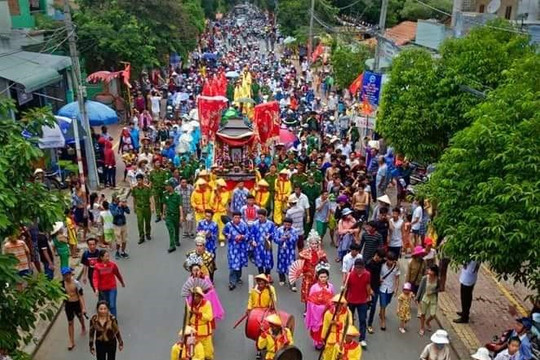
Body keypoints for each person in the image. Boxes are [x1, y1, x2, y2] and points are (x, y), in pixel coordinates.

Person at [184, 255, 224, 322]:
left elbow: (212, 293)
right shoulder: (190, 280)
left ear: (200, 270)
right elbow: (188, 295)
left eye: (198, 270)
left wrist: (205, 293)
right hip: (194, 304)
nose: (196, 272)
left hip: (205, 304)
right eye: (194, 270)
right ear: (191, 271)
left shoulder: (206, 279)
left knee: (206, 319)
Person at [305, 263, 335, 350]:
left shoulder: (331, 287)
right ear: (318, 277)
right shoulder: (314, 287)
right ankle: (317, 342)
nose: (323, 279)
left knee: (326, 326)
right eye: (321, 277)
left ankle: (325, 341)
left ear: (328, 277)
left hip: (327, 311)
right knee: (318, 328)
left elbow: (333, 299)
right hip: (316, 313)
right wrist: (316, 309)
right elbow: (310, 301)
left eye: (325, 277)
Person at [345, 258, 372, 347]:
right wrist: (344, 300)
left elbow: (368, 285)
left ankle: (362, 339)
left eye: (361, 268)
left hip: (362, 301)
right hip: (351, 300)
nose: (359, 270)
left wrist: (369, 296)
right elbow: (346, 288)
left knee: (362, 320)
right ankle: (349, 337)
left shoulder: (367, 274)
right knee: (349, 320)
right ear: (354, 267)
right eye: (357, 267)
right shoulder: (350, 275)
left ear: (364, 267)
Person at [92, 250, 125, 317]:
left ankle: (114, 320)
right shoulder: (97, 266)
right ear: (101, 257)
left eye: (108, 256)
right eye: (106, 256)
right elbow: (95, 278)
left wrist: (122, 282)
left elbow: (117, 274)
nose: (108, 258)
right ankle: (104, 320)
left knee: (112, 305)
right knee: (105, 306)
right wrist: (96, 288)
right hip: (102, 290)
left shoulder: (112, 265)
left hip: (112, 288)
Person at [321, 294, 354, 360]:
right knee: (328, 355)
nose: (339, 305)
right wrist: (323, 337)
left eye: (341, 304)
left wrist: (338, 323)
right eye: (336, 303)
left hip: (342, 338)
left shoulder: (347, 313)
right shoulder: (328, 313)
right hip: (331, 337)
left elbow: (349, 325)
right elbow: (325, 326)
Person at [61, 267, 86, 350]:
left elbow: (81, 296)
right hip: (68, 305)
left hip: (76, 303)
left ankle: (83, 326)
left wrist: (83, 308)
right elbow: (61, 295)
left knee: (80, 317)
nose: (67, 277)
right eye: (65, 275)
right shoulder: (61, 284)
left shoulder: (76, 283)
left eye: (68, 274)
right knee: (70, 322)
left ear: (70, 274)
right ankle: (71, 341)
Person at [223, 212, 249, 290]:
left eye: (238, 217)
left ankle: (238, 277)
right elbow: (224, 232)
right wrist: (228, 235)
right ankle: (232, 282)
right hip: (232, 249)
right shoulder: (228, 225)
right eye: (235, 217)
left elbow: (248, 235)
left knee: (239, 264)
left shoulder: (244, 225)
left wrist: (242, 236)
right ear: (232, 217)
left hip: (241, 248)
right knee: (233, 265)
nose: (237, 219)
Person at [299, 230, 328, 300]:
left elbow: (326, 264)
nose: (314, 245)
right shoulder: (304, 253)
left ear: (318, 244)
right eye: (312, 244)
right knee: (307, 292)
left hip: (318, 276)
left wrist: (323, 264)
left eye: (315, 243)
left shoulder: (321, 253)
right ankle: (307, 308)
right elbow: (300, 264)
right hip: (307, 276)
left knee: (318, 292)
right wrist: (301, 271)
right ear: (309, 244)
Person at [188, 286, 214, 359]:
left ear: (200, 296)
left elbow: (209, 317)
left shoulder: (207, 304)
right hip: (194, 333)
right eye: (193, 295)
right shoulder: (189, 306)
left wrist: (198, 313)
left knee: (208, 354)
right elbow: (187, 320)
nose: (195, 298)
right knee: (195, 354)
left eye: (196, 296)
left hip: (205, 333)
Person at [378, 251, 400, 331]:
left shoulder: (396, 267)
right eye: (389, 260)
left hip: (390, 288)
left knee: (387, 302)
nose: (390, 262)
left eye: (392, 260)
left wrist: (396, 288)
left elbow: (397, 278)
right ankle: (383, 321)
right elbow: (378, 274)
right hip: (382, 288)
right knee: (383, 304)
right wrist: (379, 279)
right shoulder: (382, 265)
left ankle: (381, 311)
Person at [250, 209, 276, 276]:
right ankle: (261, 276)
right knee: (259, 261)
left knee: (268, 260)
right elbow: (252, 234)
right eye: (258, 217)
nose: (260, 218)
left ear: (265, 216)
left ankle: (267, 274)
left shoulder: (271, 224)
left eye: (261, 217)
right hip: (258, 246)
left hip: (267, 245)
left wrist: (269, 236)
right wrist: (253, 241)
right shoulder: (254, 224)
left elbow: (274, 233)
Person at [274, 217, 298, 287]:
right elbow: (275, 239)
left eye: (289, 225)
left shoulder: (294, 231)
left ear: (291, 225)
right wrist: (281, 239)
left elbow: (296, 239)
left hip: (290, 252)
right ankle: (282, 279)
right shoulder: (279, 230)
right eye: (286, 224)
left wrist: (290, 237)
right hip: (281, 251)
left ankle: (292, 282)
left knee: (291, 266)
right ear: (283, 223)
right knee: (281, 264)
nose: (287, 226)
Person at [366, 248, 385, 335]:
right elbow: (367, 279)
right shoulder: (369, 264)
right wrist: (370, 289)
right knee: (365, 306)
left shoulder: (381, 261)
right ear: (375, 254)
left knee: (373, 307)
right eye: (378, 257)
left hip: (376, 287)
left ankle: (369, 324)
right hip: (368, 288)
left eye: (381, 258)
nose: (379, 259)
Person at [417, 265, 440, 336]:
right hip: (425, 297)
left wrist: (432, 292)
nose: (429, 272)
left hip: (433, 298)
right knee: (423, 313)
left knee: (433, 314)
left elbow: (439, 289)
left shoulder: (437, 279)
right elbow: (420, 288)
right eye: (429, 270)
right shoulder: (425, 278)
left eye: (431, 271)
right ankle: (422, 327)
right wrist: (417, 297)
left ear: (435, 272)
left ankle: (427, 322)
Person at [131, 173, 152, 244]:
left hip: (147, 207)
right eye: (138, 180)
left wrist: (152, 208)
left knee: (147, 222)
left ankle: (148, 233)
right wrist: (134, 207)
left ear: (143, 180)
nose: (139, 181)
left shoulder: (147, 188)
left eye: (140, 180)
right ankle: (141, 236)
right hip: (139, 208)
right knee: (140, 222)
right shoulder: (134, 189)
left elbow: (151, 198)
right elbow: (134, 198)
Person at [163, 178, 184, 253]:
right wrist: (163, 214)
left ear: (171, 186)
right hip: (169, 216)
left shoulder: (177, 195)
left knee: (176, 228)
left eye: (167, 185)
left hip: (176, 215)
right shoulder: (165, 194)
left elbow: (180, 206)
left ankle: (177, 240)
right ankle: (172, 245)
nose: (165, 187)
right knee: (171, 230)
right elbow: (164, 204)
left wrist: (181, 216)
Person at [110, 194, 130, 259]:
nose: (118, 199)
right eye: (117, 198)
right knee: (118, 240)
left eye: (119, 198)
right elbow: (114, 214)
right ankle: (117, 251)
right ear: (114, 199)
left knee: (124, 240)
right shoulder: (111, 205)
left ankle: (123, 252)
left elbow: (128, 212)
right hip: (117, 225)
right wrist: (118, 207)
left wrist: (125, 206)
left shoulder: (122, 205)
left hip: (123, 224)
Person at [210, 179, 229, 246]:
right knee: (213, 225)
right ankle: (212, 238)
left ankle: (222, 239)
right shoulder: (213, 192)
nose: (217, 186)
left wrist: (218, 195)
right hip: (215, 212)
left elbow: (224, 203)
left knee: (222, 226)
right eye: (217, 185)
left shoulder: (226, 193)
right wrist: (215, 195)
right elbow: (211, 202)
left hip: (222, 212)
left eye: (219, 185)